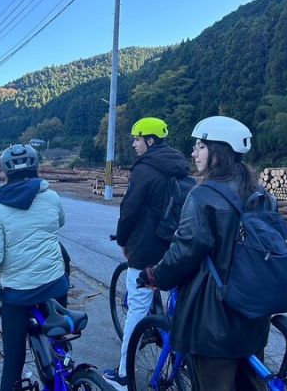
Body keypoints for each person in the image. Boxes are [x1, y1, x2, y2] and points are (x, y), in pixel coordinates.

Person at [139, 116, 270, 390]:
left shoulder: (203, 197)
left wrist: (154, 276)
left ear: (218, 152)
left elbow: (183, 252)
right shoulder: (261, 193)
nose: (193, 153)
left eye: (200, 146)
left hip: (214, 320)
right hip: (254, 312)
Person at [103, 117, 191, 391]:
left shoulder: (145, 170)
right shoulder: (179, 166)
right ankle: (175, 355)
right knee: (175, 304)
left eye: (137, 139)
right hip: (174, 246)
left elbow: (129, 210)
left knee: (136, 311)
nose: (133, 143)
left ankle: (123, 375)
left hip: (146, 248)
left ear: (150, 141)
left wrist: (123, 238)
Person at [0, 144, 68, 391]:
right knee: (57, 338)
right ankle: (62, 361)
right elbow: (60, 222)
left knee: (13, 362)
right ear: (36, 167)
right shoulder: (51, 196)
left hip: (18, 292)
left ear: (6, 173)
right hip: (54, 284)